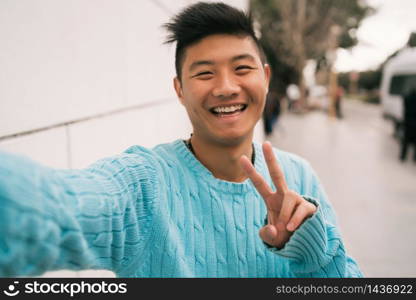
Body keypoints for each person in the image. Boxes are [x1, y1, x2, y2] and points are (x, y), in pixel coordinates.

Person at [0, 2, 362, 278]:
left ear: (265, 78)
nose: (225, 87)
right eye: (204, 73)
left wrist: (311, 249)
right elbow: (61, 207)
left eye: (242, 68)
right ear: (180, 90)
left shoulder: (299, 176)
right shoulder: (143, 184)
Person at [400, 87, 416, 162]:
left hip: (408, 122)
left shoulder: (407, 98)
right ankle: (415, 158)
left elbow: (404, 103)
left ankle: (402, 156)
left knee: (405, 141)